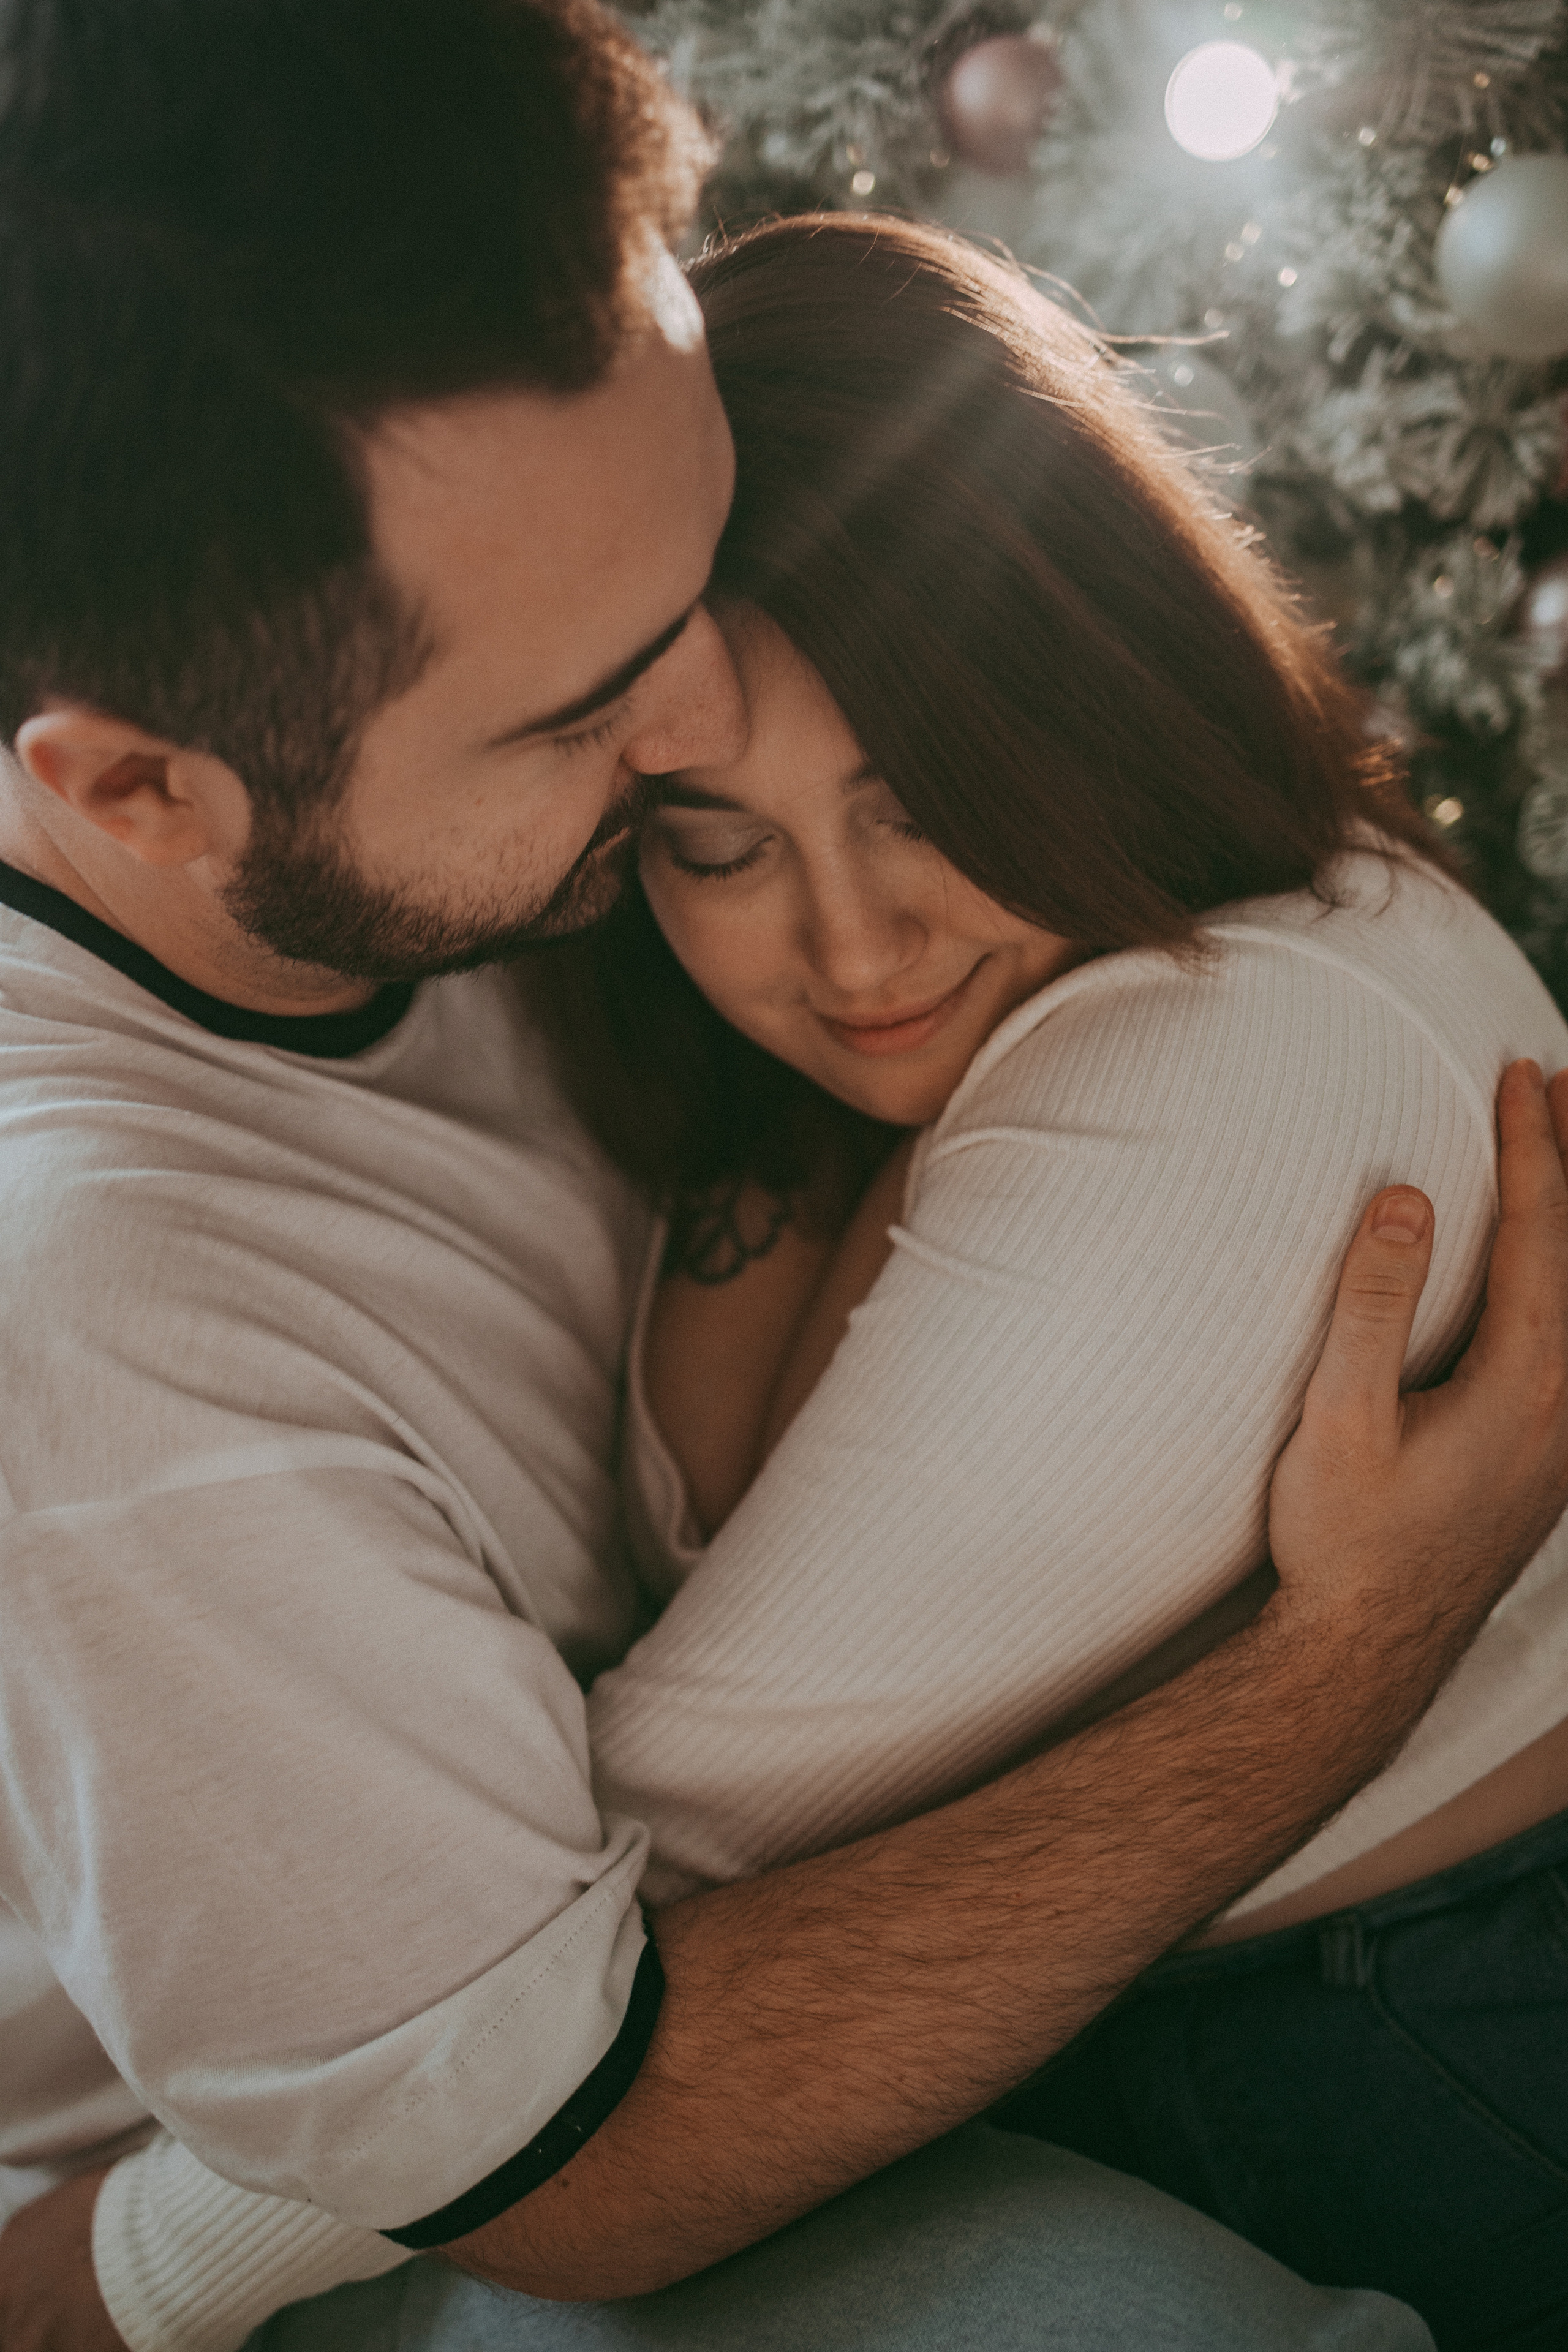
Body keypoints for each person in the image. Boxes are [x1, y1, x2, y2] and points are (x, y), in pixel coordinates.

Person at [0, 9, 1559, 2350]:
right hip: (362, 2136)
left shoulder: (478, 758)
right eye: (599, 730)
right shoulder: (112, 1329)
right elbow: (553, 2134)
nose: (702, 711)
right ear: (145, 797)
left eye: (693, 544)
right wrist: (1348, 1653)